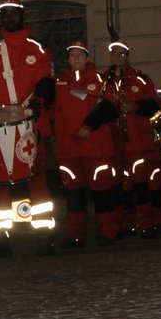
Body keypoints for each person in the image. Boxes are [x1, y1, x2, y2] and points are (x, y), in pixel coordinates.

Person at [0, 0, 57, 256]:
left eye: (13, 13)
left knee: (38, 179)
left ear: (22, 16)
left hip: (32, 121)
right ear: (1, 18)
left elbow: (47, 81)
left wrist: (40, 100)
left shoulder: (37, 50)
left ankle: (44, 236)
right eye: (5, 13)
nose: (9, 17)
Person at [79, 40, 161, 238]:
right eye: (114, 54)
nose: (117, 58)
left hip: (136, 140)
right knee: (118, 183)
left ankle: (147, 221)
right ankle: (123, 222)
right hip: (111, 141)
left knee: (140, 182)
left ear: (127, 57)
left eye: (121, 54)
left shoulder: (140, 80)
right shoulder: (103, 80)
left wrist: (134, 107)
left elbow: (154, 104)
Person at [51, 40, 121, 248]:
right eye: (72, 55)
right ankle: (76, 236)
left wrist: (89, 125)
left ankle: (108, 232)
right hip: (68, 150)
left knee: (101, 191)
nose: (76, 58)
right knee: (73, 195)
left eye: (80, 55)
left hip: (95, 147)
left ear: (87, 58)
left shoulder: (101, 81)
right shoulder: (59, 83)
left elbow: (110, 107)